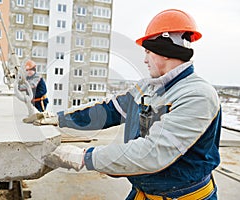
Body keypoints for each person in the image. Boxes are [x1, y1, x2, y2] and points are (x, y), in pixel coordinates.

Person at [25, 9, 221, 200]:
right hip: (144, 192)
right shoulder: (149, 88)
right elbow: (107, 111)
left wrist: (85, 157)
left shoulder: (197, 95)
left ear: (166, 52)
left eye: (148, 52)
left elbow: (153, 153)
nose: (144, 60)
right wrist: (58, 119)